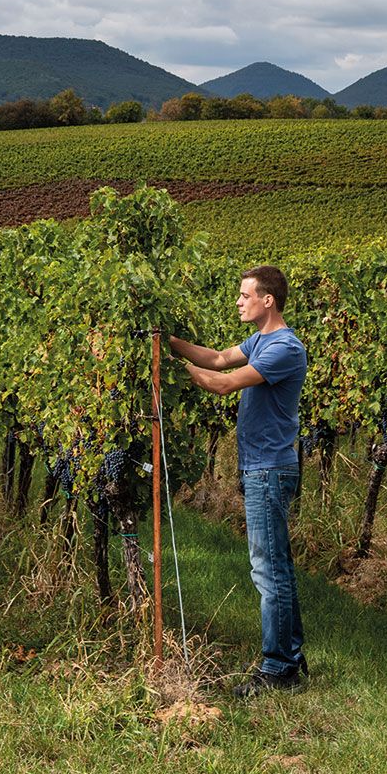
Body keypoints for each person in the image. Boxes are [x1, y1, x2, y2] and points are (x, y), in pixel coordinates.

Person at [163, 264, 308, 696]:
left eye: (246, 296)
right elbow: (218, 358)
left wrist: (166, 365)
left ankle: (278, 668)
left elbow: (224, 383)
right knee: (275, 567)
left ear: (268, 300)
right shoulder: (261, 340)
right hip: (259, 466)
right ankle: (291, 660)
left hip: (269, 468)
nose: (239, 302)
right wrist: (167, 341)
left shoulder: (285, 347)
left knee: (269, 572)